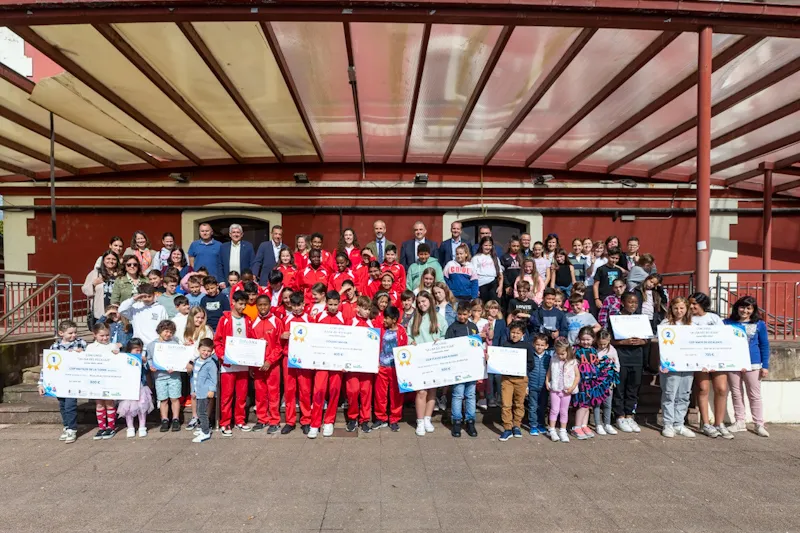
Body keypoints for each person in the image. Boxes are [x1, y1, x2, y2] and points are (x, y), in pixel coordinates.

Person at [724, 296, 770, 438]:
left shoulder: (759, 324)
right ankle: (740, 422)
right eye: (742, 307)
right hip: (733, 362)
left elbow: (764, 345)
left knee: (754, 394)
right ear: (737, 307)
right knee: (736, 393)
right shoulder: (726, 323)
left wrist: (765, 365)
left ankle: (759, 424)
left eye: (749, 308)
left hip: (753, 363)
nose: (745, 310)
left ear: (753, 310)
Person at [689, 292, 732, 439]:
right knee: (703, 388)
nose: (691, 306)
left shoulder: (714, 318)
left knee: (721, 388)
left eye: (694, 303)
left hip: (717, 358)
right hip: (698, 359)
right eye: (690, 303)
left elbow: (722, 336)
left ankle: (719, 423)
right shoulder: (688, 319)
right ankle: (706, 423)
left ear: (702, 304)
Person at [213, 290, 256, 436]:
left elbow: (252, 340)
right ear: (233, 303)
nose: (243, 307)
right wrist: (222, 356)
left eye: (245, 304)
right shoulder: (224, 319)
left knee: (242, 395)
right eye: (240, 303)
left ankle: (240, 421)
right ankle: (225, 423)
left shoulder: (248, 320)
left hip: (243, 364)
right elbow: (217, 341)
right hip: (228, 365)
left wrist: (253, 359)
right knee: (227, 396)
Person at [308, 291, 349, 438]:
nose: (332, 307)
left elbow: (348, 341)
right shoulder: (319, 317)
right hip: (321, 362)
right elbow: (313, 339)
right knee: (318, 391)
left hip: (337, 363)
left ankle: (329, 421)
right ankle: (315, 423)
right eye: (330, 304)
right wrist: (312, 359)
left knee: (334, 391)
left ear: (339, 304)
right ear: (326, 303)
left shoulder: (344, 318)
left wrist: (346, 362)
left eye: (335, 304)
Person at [38, 320, 87, 443]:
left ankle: (72, 429)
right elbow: (47, 366)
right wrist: (41, 383)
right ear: (61, 333)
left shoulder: (81, 343)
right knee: (63, 405)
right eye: (70, 333)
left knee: (70, 405)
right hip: (59, 382)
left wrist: (82, 354)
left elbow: (91, 358)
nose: (73, 335)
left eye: (75, 332)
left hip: (74, 381)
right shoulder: (54, 347)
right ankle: (66, 426)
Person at [409, 291, 448, 436]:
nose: (421, 304)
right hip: (419, 359)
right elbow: (408, 334)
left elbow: (445, 334)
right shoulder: (415, 318)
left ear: (430, 302)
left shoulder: (439, 318)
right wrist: (410, 342)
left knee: (432, 391)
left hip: (434, 359)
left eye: (424, 301)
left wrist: (441, 341)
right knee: (421, 391)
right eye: (419, 302)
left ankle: (427, 418)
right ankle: (419, 421)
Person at [608, 292, 646, 434]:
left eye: (635, 303)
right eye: (630, 302)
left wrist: (642, 341)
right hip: (621, 357)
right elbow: (609, 339)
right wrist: (623, 342)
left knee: (633, 387)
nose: (633, 305)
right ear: (623, 302)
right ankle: (619, 416)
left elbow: (647, 338)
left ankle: (630, 415)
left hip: (637, 358)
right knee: (620, 387)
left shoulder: (640, 319)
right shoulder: (616, 319)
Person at [658, 297, 696, 438]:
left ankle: (679, 423)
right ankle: (668, 424)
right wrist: (662, 363)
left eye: (681, 308)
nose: (679, 311)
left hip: (687, 365)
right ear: (671, 309)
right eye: (676, 308)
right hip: (671, 366)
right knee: (669, 394)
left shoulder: (692, 325)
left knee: (684, 394)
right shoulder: (666, 323)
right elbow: (661, 346)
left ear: (686, 309)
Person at [572, 327, 616, 440]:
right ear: (579, 339)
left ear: (593, 339)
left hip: (592, 381)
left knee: (588, 405)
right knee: (582, 405)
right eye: (583, 339)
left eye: (588, 339)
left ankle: (584, 425)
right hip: (581, 382)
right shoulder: (575, 350)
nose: (585, 342)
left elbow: (596, 364)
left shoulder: (593, 350)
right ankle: (576, 427)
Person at [280, 292, 314, 435]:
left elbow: (314, 337)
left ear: (304, 304)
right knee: (289, 390)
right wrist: (283, 336)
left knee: (305, 390)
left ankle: (306, 420)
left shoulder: (310, 319)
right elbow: (279, 336)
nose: (296, 308)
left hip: (304, 359)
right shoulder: (285, 319)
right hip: (288, 358)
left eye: (299, 305)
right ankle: (290, 421)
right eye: (293, 305)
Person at [446, 301, 480, 438]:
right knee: (458, 394)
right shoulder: (452, 328)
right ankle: (457, 421)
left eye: (464, 314)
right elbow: (448, 346)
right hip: (458, 367)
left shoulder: (473, 327)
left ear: (469, 314)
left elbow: (477, 345)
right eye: (459, 314)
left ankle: (470, 421)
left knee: (471, 394)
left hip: (471, 366)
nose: (462, 317)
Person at [251, 295, 284, 434]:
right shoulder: (253, 322)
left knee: (273, 392)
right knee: (260, 392)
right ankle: (262, 419)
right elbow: (250, 345)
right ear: (256, 306)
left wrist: (270, 361)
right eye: (260, 305)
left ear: (270, 304)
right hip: (258, 365)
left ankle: (274, 420)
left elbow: (279, 345)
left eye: (265, 304)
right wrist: (252, 365)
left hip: (272, 365)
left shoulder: (277, 321)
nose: (263, 307)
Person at [497, 321, 534, 441]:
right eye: (513, 332)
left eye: (518, 333)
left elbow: (531, 364)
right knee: (506, 404)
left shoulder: (527, 346)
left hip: (521, 379)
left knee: (519, 403)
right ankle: (507, 428)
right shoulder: (505, 344)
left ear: (522, 334)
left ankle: (516, 425)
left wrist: (521, 369)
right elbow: (499, 360)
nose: (515, 335)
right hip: (507, 379)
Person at [373, 306, 407, 431]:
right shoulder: (381, 329)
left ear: (394, 320)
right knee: (380, 395)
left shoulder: (401, 331)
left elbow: (404, 348)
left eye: (386, 318)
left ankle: (394, 419)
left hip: (395, 369)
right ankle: (381, 418)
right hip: (381, 366)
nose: (384, 320)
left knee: (396, 395)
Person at [85, 323, 121, 440]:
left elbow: (118, 362)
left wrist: (118, 355)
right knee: (99, 403)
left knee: (109, 402)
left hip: (109, 379)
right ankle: (102, 427)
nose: (105, 338)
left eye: (107, 335)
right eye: (102, 336)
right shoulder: (90, 348)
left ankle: (111, 427)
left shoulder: (113, 346)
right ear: (94, 335)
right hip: (96, 379)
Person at [146, 320, 182, 432]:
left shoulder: (175, 344)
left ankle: (176, 419)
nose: (168, 334)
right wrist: (150, 366)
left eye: (171, 332)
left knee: (175, 398)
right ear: (160, 331)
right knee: (163, 399)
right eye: (166, 331)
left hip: (174, 376)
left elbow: (179, 359)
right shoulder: (152, 345)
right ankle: (164, 419)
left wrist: (176, 366)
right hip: (160, 377)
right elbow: (149, 359)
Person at [347, 296, 376, 433]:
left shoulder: (372, 324)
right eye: (365, 309)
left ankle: (364, 419)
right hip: (352, 365)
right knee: (353, 391)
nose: (367, 312)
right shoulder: (350, 322)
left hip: (367, 366)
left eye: (369, 309)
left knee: (366, 392)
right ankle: (353, 418)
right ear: (357, 307)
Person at [117, 338, 152, 438]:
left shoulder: (142, 359)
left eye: (140, 350)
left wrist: (145, 363)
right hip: (129, 387)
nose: (139, 352)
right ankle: (130, 427)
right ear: (129, 350)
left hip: (141, 386)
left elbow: (147, 371)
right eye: (136, 350)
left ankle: (142, 427)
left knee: (142, 407)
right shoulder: (124, 358)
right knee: (128, 408)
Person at [546, 337, 579, 443]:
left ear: (567, 351)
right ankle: (552, 429)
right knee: (554, 409)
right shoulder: (554, 359)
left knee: (564, 411)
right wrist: (547, 380)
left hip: (566, 390)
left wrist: (573, 387)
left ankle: (563, 430)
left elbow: (577, 376)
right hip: (555, 389)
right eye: (558, 353)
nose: (560, 356)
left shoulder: (572, 361)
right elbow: (550, 371)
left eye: (562, 354)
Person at [188, 338, 218, 443]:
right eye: (204, 350)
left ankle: (205, 432)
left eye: (209, 351)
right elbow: (194, 377)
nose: (206, 353)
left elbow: (213, 379)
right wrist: (194, 390)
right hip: (198, 391)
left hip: (205, 392)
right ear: (199, 349)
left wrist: (212, 390)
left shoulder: (211, 364)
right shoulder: (196, 361)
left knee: (202, 412)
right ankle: (203, 428)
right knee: (200, 412)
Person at [83, 250, 121, 324]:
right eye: (108, 259)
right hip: (101, 311)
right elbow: (85, 290)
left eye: (114, 259)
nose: (111, 261)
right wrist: (93, 284)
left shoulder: (121, 274)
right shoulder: (95, 273)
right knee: (102, 334)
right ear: (103, 260)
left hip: (118, 312)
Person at [594, 330, 619, 435]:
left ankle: (607, 424)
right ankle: (598, 424)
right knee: (597, 404)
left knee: (608, 404)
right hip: (597, 381)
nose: (602, 345)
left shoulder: (612, 350)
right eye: (600, 343)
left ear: (609, 341)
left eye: (604, 343)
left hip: (608, 381)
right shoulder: (594, 350)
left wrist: (614, 377)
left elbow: (617, 364)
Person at [527, 333, 551, 436]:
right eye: (537, 344)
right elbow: (526, 371)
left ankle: (541, 424)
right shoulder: (530, 356)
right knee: (532, 406)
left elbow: (551, 372)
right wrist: (526, 386)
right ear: (533, 344)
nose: (539, 347)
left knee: (542, 406)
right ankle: (533, 425)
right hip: (532, 386)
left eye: (542, 345)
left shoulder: (548, 358)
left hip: (544, 387)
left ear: (546, 346)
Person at [483, 300, 505, 408]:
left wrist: (500, 351)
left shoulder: (501, 322)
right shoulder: (484, 321)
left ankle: (499, 396)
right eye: (491, 308)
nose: (494, 310)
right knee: (489, 377)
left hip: (497, 351)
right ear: (487, 309)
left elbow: (502, 337)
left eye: (496, 308)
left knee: (498, 376)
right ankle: (490, 397)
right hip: (486, 350)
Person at [471, 236, 503, 303]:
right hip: (481, 285)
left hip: (493, 283)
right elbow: (473, 275)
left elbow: (500, 275)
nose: (488, 247)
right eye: (485, 245)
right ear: (481, 245)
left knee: (494, 305)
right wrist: (475, 289)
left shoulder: (495, 258)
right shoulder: (476, 258)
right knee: (483, 305)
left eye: (490, 245)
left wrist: (500, 287)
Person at [499, 236, 522, 301]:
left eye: (517, 246)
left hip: (520, 285)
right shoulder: (504, 257)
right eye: (514, 246)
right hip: (508, 285)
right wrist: (507, 285)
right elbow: (503, 273)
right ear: (509, 246)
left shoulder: (522, 257)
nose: (516, 248)